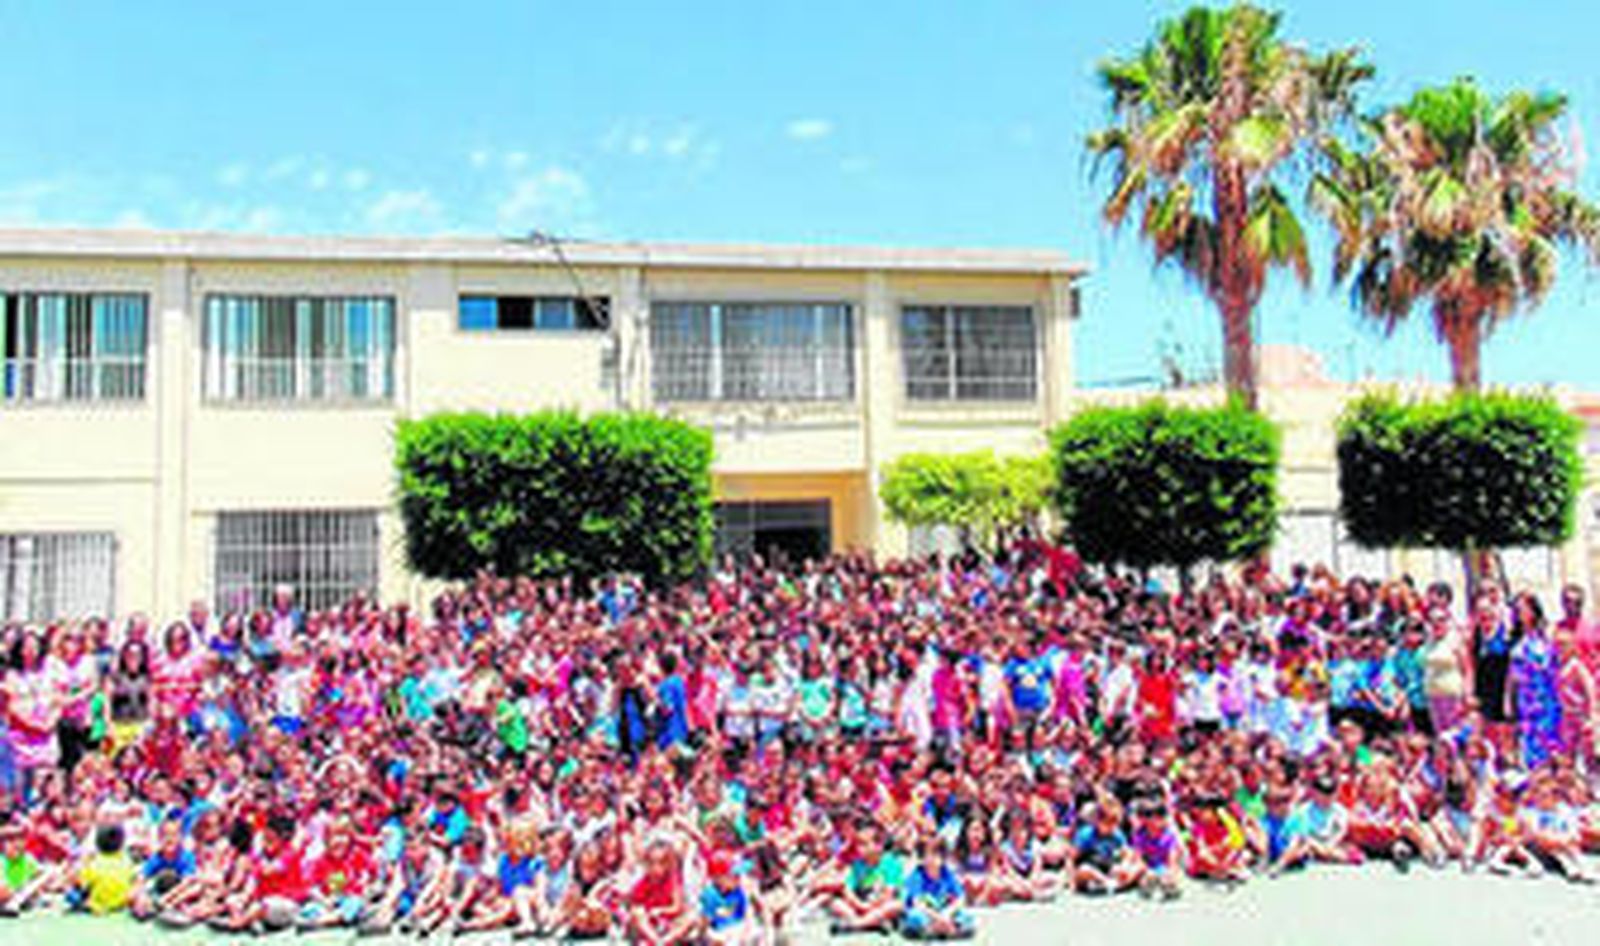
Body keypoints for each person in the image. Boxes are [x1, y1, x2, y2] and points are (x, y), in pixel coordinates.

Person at [902, 839, 974, 940]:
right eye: (932, 853)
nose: (936, 857)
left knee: (966, 916)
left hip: (944, 912)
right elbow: (917, 903)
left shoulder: (947, 873)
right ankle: (938, 929)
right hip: (927, 914)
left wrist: (947, 913)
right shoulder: (917, 875)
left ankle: (945, 929)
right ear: (923, 857)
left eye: (939, 853)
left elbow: (960, 898)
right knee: (914, 917)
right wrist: (937, 917)